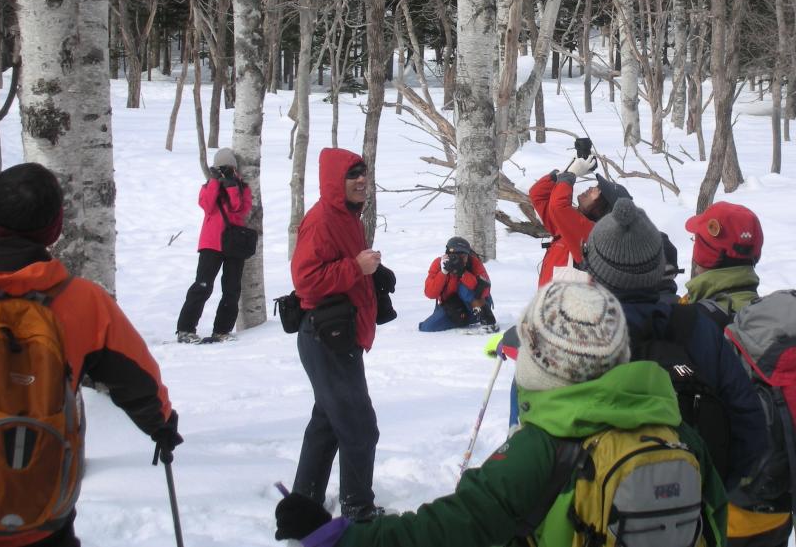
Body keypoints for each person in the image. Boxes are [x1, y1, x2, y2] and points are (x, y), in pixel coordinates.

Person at [275, 281, 728, 547]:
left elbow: (445, 531)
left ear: (543, 362)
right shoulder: (676, 431)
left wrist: (338, 536)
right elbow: (714, 520)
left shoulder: (542, 447)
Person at [0, 163, 182, 547]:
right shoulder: (81, 301)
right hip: (42, 507)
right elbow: (137, 377)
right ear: (54, 228)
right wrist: (161, 424)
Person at [581, 197, 767, 490]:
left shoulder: (573, 335)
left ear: (593, 270)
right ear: (659, 267)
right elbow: (751, 431)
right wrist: (710, 497)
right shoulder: (699, 327)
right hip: (691, 519)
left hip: (592, 521)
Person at [682, 203, 791, 547]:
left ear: (703, 258)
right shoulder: (773, 321)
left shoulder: (687, 325)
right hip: (777, 509)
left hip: (717, 515)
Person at [290, 148, 384, 521]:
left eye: (363, 173)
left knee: (329, 421)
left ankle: (305, 501)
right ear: (334, 182)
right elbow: (306, 282)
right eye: (352, 175)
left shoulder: (348, 218)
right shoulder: (322, 220)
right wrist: (355, 268)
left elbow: (340, 268)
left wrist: (374, 274)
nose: (362, 180)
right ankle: (358, 510)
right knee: (360, 427)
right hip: (324, 337)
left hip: (338, 335)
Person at [176, 147, 253, 343]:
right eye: (221, 168)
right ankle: (185, 329)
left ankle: (222, 330)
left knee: (231, 289)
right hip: (211, 244)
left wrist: (231, 185)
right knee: (202, 286)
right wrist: (214, 182)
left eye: (228, 168)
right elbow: (207, 206)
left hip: (233, 244)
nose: (225, 171)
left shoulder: (243, 188)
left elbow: (239, 209)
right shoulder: (208, 187)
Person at [528, 155, 630, 286]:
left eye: (598, 190)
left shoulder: (595, 236)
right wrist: (561, 174)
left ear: (604, 207)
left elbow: (559, 207)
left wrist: (570, 176)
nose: (591, 188)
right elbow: (538, 195)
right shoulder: (571, 225)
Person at [419, 236, 497, 333]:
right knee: (427, 327)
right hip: (454, 306)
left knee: (463, 288)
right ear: (447, 255)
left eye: (463, 256)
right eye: (455, 256)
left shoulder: (473, 263)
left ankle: (487, 321)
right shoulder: (439, 264)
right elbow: (430, 293)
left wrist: (463, 273)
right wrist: (443, 273)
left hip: (478, 306)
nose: (460, 260)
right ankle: (461, 320)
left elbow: (485, 289)